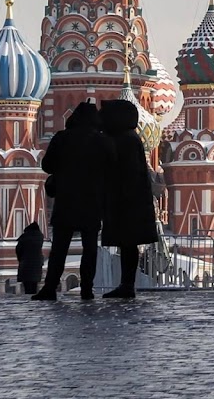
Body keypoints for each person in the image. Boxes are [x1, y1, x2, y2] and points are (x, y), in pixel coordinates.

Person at [34, 102, 114, 301]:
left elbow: (47, 165)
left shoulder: (62, 138)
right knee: (90, 248)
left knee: (59, 248)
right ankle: (87, 288)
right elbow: (113, 167)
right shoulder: (102, 141)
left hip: (66, 200)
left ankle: (50, 288)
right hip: (92, 200)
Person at [99, 100, 158, 298]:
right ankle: (126, 284)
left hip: (127, 204)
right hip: (129, 203)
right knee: (128, 244)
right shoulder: (128, 139)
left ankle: (127, 284)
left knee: (128, 244)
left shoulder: (125, 141)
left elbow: (125, 173)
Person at [15, 222, 45, 295]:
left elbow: (18, 250)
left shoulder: (24, 237)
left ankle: (29, 298)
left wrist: (21, 259)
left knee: (27, 285)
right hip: (37, 263)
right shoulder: (40, 237)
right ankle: (33, 296)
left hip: (26, 263)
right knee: (34, 283)